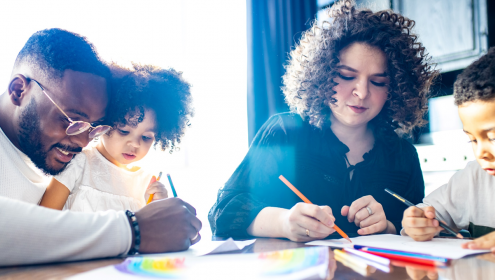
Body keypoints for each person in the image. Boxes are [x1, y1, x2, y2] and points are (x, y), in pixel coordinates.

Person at [209, 0, 438, 241]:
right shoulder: (285, 132)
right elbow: (223, 212)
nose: (361, 92)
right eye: (347, 76)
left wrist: (389, 227)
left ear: (396, 89)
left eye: (378, 82)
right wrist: (284, 223)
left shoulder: (403, 156)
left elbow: (415, 229)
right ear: (322, 74)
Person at [0, 28, 201, 266]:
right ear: (18, 91)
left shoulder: (44, 154)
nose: (84, 142)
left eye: (95, 127)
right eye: (71, 120)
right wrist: (134, 231)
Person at [39, 63, 193, 212]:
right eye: (124, 131)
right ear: (104, 120)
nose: (135, 144)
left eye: (146, 137)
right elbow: (43, 220)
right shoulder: (78, 163)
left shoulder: (147, 184)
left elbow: (149, 235)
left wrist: (158, 208)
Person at [401, 47, 495, 252]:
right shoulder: (474, 178)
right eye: (473, 140)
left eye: (493, 137)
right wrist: (418, 222)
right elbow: (428, 212)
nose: (481, 153)